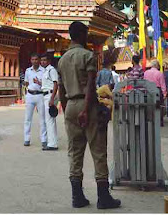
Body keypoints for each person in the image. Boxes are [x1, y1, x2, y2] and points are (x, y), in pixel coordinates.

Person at [58, 21, 121, 209]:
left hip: (70, 105)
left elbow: (61, 90)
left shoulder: (62, 60)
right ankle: (103, 197)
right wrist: (86, 110)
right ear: (81, 35)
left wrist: (66, 110)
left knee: (75, 152)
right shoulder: (88, 56)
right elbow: (90, 87)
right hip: (87, 106)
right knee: (98, 150)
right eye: (86, 33)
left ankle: (77, 197)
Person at [23, 54, 47, 148]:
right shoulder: (28, 71)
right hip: (30, 95)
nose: (34, 61)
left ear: (39, 60)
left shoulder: (44, 71)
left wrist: (39, 83)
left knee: (42, 119)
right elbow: (26, 82)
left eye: (36, 59)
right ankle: (26, 139)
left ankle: (44, 140)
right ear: (31, 60)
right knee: (27, 119)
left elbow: (46, 84)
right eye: (33, 59)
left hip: (40, 95)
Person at [40, 54, 58, 151]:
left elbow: (55, 84)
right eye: (41, 60)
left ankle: (52, 144)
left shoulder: (52, 70)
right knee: (49, 120)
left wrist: (52, 98)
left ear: (49, 61)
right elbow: (48, 84)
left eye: (44, 60)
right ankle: (52, 142)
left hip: (50, 95)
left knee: (50, 120)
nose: (42, 62)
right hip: (46, 95)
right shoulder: (45, 71)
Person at [143, 60, 167, 126]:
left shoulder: (146, 72)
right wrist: (164, 93)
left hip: (148, 90)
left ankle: (149, 120)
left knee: (149, 105)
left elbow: (144, 83)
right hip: (157, 90)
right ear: (156, 65)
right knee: (159, 106)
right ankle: (159, 121)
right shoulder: (159, 73)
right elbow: (163, 84)